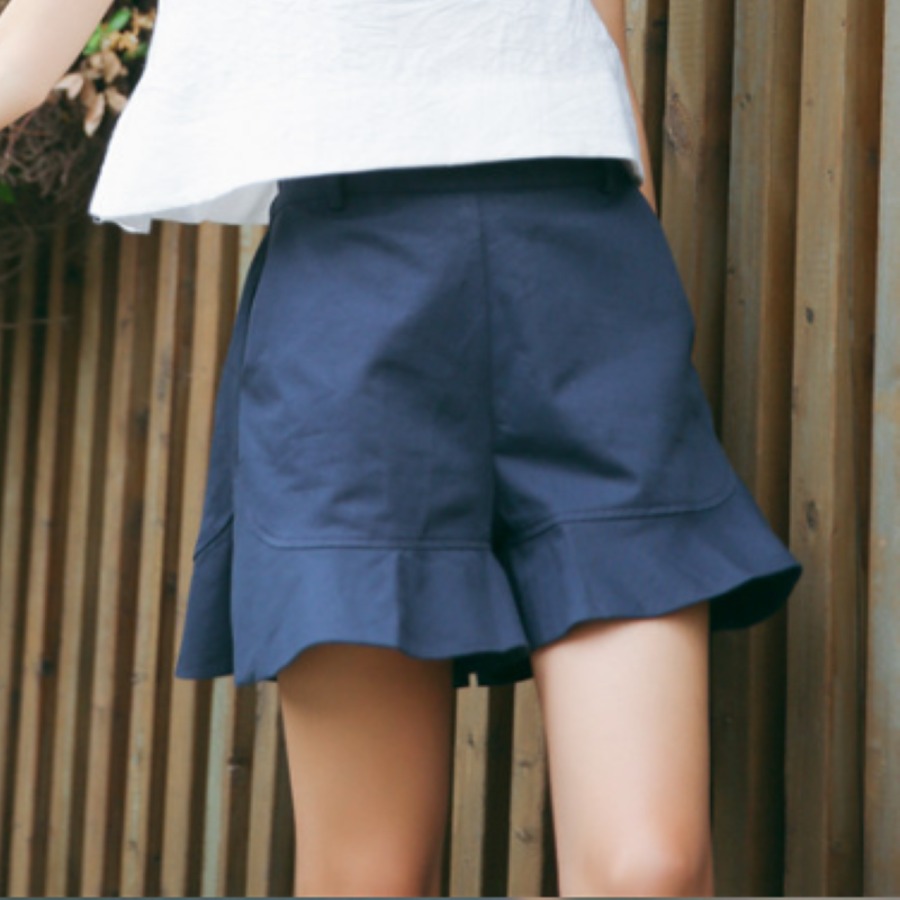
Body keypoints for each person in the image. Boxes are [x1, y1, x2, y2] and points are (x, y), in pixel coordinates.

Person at [0, 1, 803, 896]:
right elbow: (19, 58)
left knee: (652, 868)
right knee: (368, 874)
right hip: (349, 286)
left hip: (585, 254)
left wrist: (632, 207)